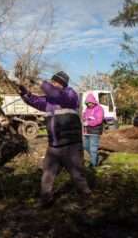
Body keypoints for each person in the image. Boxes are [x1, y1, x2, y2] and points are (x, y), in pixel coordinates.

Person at [18, 71, 91, 206]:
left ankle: (86, 197)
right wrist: (23, 93)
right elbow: (35, 101)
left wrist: (40, 82)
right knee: (48, 173)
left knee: (77, 174)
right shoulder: (50, 100)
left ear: (62, 83)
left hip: (71, 145)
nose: (51, 84)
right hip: (54, 146)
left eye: (54, 82)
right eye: (51, 82)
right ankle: (46, 199)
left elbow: (56, 94)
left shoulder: (70, 94)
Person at [82, 93, 104, 167]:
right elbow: (84, 117)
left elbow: (99, 120)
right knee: (85, 145)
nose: (89, 104)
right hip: (87, 131)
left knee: (93, 148)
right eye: (87, 103)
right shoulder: (87, 109)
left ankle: (93, 165)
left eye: (90, 103)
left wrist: (89, 122)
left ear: (93, 102)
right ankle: (96, 157)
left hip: (95, 131)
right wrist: (85, 118)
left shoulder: (99, 108)